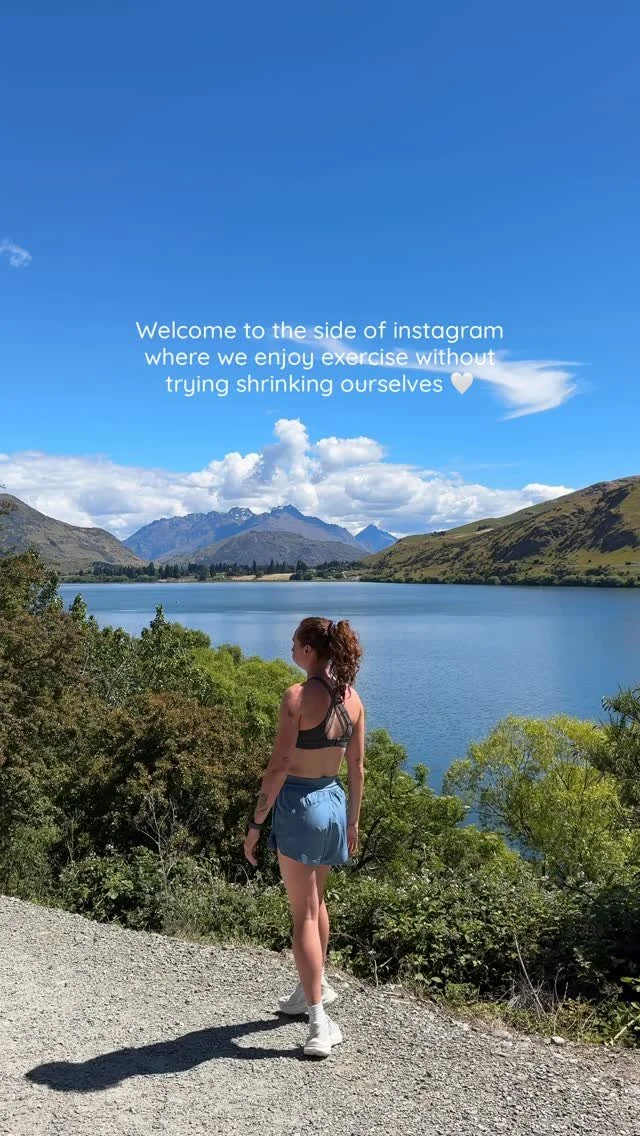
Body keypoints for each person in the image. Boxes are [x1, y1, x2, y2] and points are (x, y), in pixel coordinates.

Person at [243, 616, 365, 1058]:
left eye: (295, 643)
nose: (291, 649)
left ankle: (318, 1023)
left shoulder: (296, 697)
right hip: (333, 803)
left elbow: (278, 767)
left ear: (309, 650)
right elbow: (357, 767)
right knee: (317, 903)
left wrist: (255, 825)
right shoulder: (352, 698)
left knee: (303, 916)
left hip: (299, 807)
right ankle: (313, 986)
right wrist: (352, 821)